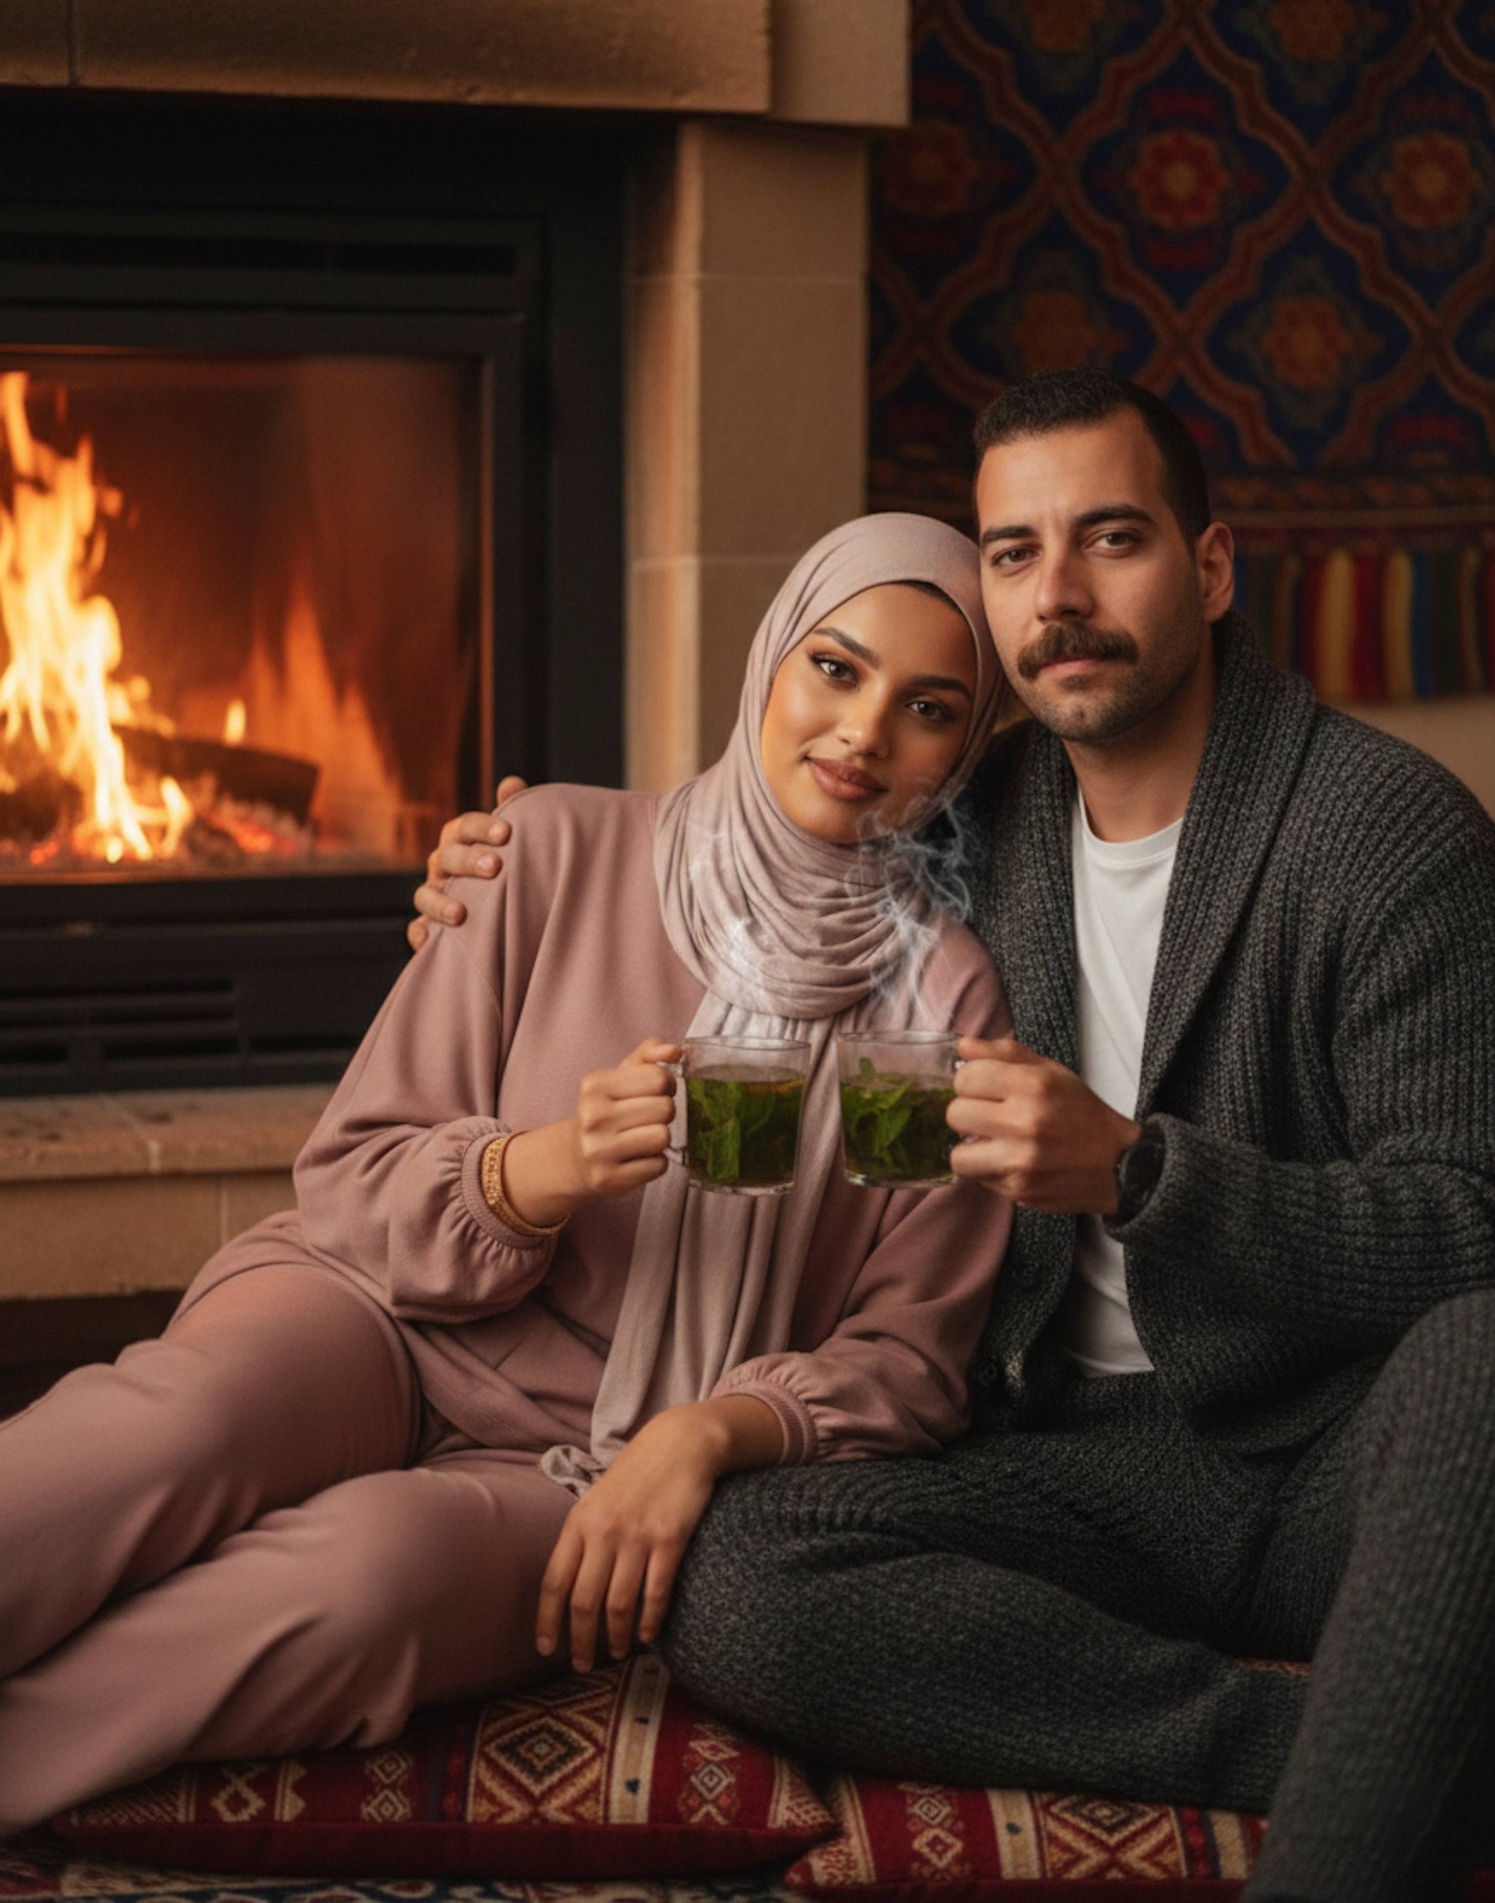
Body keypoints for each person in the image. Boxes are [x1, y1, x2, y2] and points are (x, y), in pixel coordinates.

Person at [418, 370, 1495, 1903]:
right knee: (740, 1580)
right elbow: (759, 819)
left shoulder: (1387, 834)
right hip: (1066, 1458)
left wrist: (1143, 1175)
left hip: (1331, 1460)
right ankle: (1312, 1736)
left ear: (1209, 567)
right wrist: (511, 856)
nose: (1056, 597)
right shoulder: (967, 809)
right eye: (1011, 553)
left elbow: (1471, 1223)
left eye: (1110, 540)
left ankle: (1346, 1834)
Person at [0, 515, 1014, 1835]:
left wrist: (703, 1435)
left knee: (368, 1584)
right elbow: (353, 1173)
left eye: (928, 707)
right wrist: (541, 1169)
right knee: (174, 1431)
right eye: (835, 668)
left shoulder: (936, 1006)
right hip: (373, 1312)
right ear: (770, 661)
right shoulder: (553, 852)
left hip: (588, 1455)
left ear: (966, 746)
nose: (866, 732)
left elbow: (905, 1350)